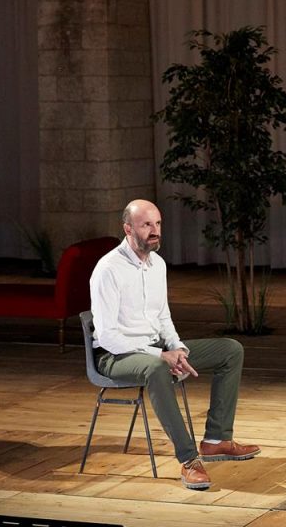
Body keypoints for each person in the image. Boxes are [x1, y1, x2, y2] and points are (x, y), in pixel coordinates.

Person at [89, 199, 260, 491]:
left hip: (156, 348)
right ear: (128, 229)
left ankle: (216, 440)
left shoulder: (158, 265)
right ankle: (189, 459)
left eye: (158, 223)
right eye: (146, 225)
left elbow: (163, 317)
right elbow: (107, 336)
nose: (155, 230)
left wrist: (177, 348)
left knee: (230, 350)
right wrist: (160, 354)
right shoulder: (108, 269)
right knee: (156, 368)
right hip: (116, 355)